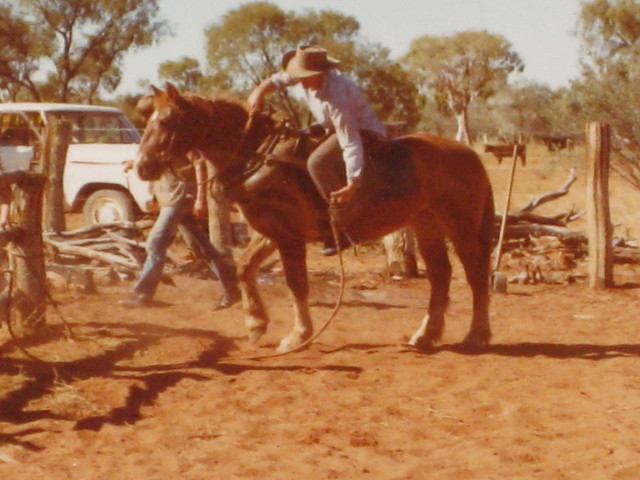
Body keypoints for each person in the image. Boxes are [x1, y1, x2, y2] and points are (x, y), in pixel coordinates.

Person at [247, 45, 387, 254]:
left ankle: (344, 225)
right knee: (295, 149)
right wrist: (259, 91)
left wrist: (353, 182)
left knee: (318, 162)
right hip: (333, 128)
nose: (300, 82)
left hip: (363, 131)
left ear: (323, 72)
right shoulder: (307, 76)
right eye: (298, 76)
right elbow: (277, 80)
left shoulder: (335, 97)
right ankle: (317, 212)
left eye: (305, 77)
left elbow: (350, 140)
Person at [120, 97, 240, 308]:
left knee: (156, 242)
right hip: (172, 197)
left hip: (179, 196)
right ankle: (233, 287)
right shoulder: (159, 136)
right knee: (201, 247)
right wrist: (135, 163)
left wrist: (201, 197)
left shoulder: (176, 131)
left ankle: (142, 294)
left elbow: (198, 164)